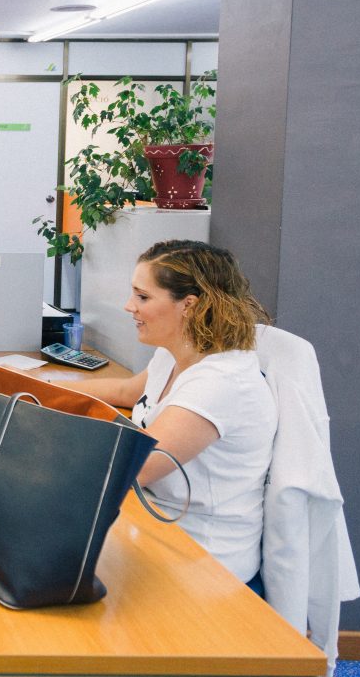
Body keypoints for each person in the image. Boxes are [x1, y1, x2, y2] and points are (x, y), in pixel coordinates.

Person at [57, 240, 275, 588]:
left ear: (189, 305)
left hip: (204, 565)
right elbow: (125, 392)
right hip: (155, 525)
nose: (129, 306)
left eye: (143, 297)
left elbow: (133, 469)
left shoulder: (220, 383)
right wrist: (32, 387)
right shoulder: (179, 353)